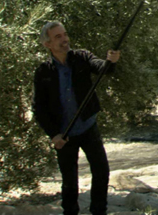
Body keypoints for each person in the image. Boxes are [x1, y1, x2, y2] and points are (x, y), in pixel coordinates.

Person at [33, 21, 121, 215]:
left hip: (88, 126)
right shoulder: (43, 72)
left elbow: (101, 68)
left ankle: (99, 211)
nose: (64, 39)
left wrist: (110, 61)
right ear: (47, 44)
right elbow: (39, 108)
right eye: (58, 37)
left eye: (64, 34)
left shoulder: (81, 56)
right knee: (69, 179)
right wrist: (54, 135)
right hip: (64, 134)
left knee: (101, 171)